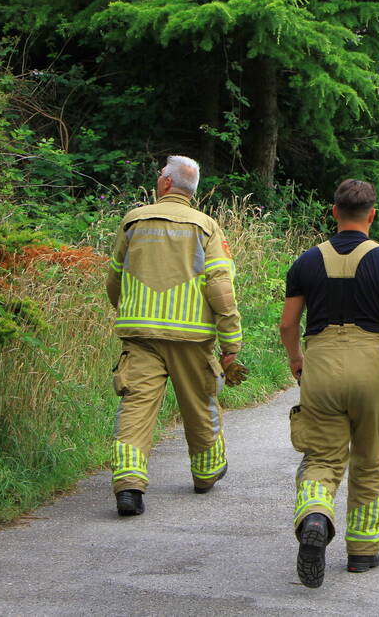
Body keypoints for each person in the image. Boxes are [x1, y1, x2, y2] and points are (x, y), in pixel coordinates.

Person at [279, 178, 379, 589]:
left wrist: (297, 362)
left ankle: (315, 518)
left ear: (334, 212)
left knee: (322, 459)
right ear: (372, 215)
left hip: (321, 366)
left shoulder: (306, 261)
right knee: (368, 460)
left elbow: (289, 323)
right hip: (369, 367)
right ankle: (362, 553)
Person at [105, 155, 242, 517]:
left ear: (166, 183)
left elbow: (114, 278)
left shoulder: (133, 220)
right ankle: (206, 472)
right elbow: (220, 287)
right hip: (192, 338)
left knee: (135, 408)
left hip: (141, 337)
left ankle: (129, 485)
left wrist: (128, 309)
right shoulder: (206, 226)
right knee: (201, 406)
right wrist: (231, 343)